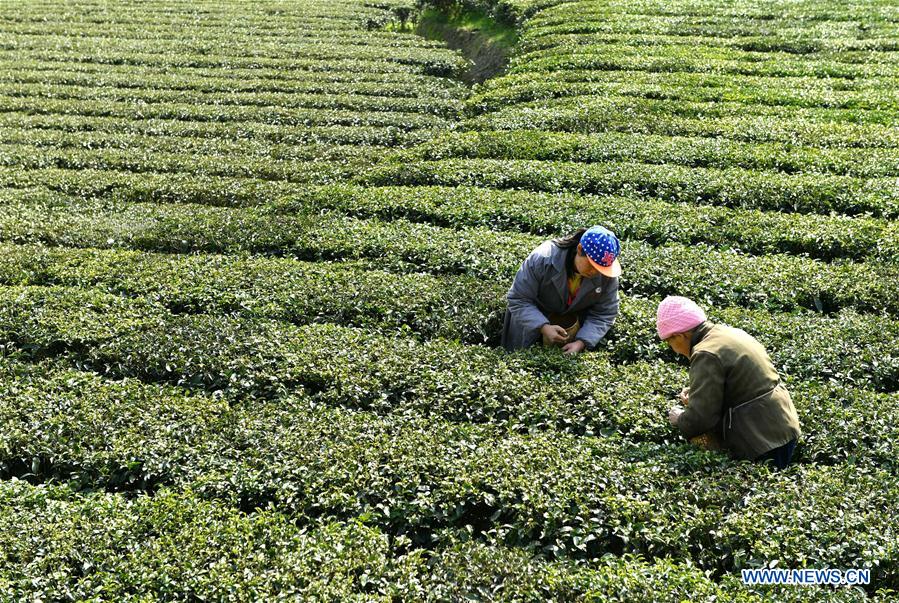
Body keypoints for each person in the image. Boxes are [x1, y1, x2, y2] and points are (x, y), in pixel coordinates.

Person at [658, 296, 801, 468]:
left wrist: (680, 418)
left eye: (669, 342)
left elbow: (701, 419)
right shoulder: (729, 333)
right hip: (781, 424)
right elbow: (743, 383)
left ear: (680, 336)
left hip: (760, 439)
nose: (672, 349)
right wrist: (698, 392)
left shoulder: (705, 353)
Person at [501, 226, 621, 354]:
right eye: (592, 265)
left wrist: (581, 342)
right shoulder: (543, 259)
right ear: (580, 249)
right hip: (529, 325)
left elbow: (605, 313)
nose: (596, 272)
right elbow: (519, 298)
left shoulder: (606, 274)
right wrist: (543, 327)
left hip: (572, 332)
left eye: (601, 268)